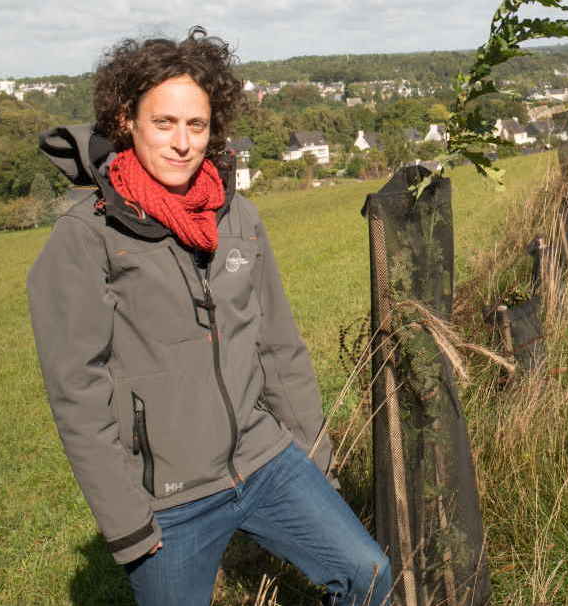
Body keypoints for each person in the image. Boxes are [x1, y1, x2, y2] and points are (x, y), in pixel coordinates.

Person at [28, 27, 392, 606]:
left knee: (367, 575)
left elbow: (279, 346)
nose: (182, 142)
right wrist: (127, 521)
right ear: (128, 120)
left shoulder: (237, 215)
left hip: (265, 459)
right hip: (168, 499)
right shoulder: (87, 237)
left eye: (196, 125)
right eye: (164, 123)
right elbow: (77, 392)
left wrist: (311, 457)